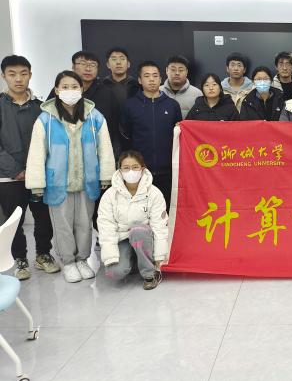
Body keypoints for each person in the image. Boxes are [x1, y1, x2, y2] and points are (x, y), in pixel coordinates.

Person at [25, 70, 115, 283]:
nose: (70, 91)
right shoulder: (45, 119)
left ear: (81, 89)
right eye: (64, 87)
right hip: (58, 183)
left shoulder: (94, 116)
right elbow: (37, 153)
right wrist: (37, 184)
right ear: (56, 90)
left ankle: (82, 259)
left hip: (87, 181)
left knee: (84, 223)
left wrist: (106, 176)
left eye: (74, 87)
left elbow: (105, 148)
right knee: (63, 225)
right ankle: (68, 262)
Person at [0, 55, 58, 281]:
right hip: (8, 178)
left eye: (23, 74)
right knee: (14, 219)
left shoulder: (40, 107)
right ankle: (20, 259)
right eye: (12, 74)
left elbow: (49, 141)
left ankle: (43, 254)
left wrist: (36, 169)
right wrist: (15, 169)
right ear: (3, 76)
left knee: (43, 217)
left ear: (30, 75)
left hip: (38, 176)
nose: (18, 79)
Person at [97, 150, 167, 290]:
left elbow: (160, 226)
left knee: (137, 230)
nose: (131, 171)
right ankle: (134, 260)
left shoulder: (154, 193)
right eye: (126, 168)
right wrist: (111, 256)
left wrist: (159, 259)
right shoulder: (110, 195)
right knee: (115, 273)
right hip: (122, 238)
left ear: (143, 169)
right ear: (120, 170)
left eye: (135, 167)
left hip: (145, 238)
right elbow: (106, 226)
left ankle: (150, 273)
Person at [120, 61, 182, 208]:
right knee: (140, 210)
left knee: (165, 210)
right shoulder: (130, 105)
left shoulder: (172, 105)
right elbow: (125, 136)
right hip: (140, 171)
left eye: (155, 76)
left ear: (161, 79)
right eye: (147, 76)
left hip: (168, 171)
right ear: (140, 80)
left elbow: (179, 136)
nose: (152, 79)